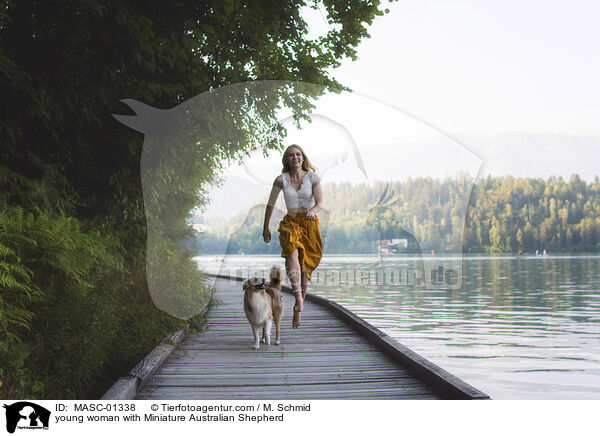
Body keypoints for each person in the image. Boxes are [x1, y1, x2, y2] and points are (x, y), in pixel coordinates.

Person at [263, 144, 324, 329]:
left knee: (305, 271)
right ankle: (298, 296)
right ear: (286, 160)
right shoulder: (281, 180)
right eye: (291, 155)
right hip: (291, 223)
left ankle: (298, 309)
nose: (295, 157)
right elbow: (270, 204)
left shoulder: (312, 177)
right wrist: (265, 227)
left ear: (303, 158)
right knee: (291, 253)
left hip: (309, 223)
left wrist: (313, 210)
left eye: (298, 154)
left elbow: (320, 202)